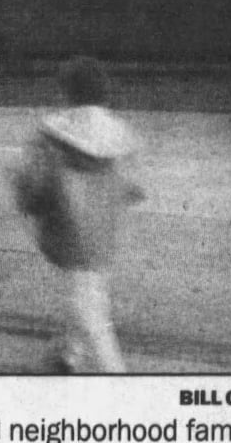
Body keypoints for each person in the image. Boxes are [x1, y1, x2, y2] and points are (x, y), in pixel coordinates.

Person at [11, 57, 144, 374]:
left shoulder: (53, 131)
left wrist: (26, 197)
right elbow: (132, 182)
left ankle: (117, 376)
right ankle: (69, 355)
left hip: (69, 222)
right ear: (103, 93)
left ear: (66, 92)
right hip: (106, 225)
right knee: (89, 288)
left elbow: (34, 178)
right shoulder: (118, 131)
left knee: (86, 304)